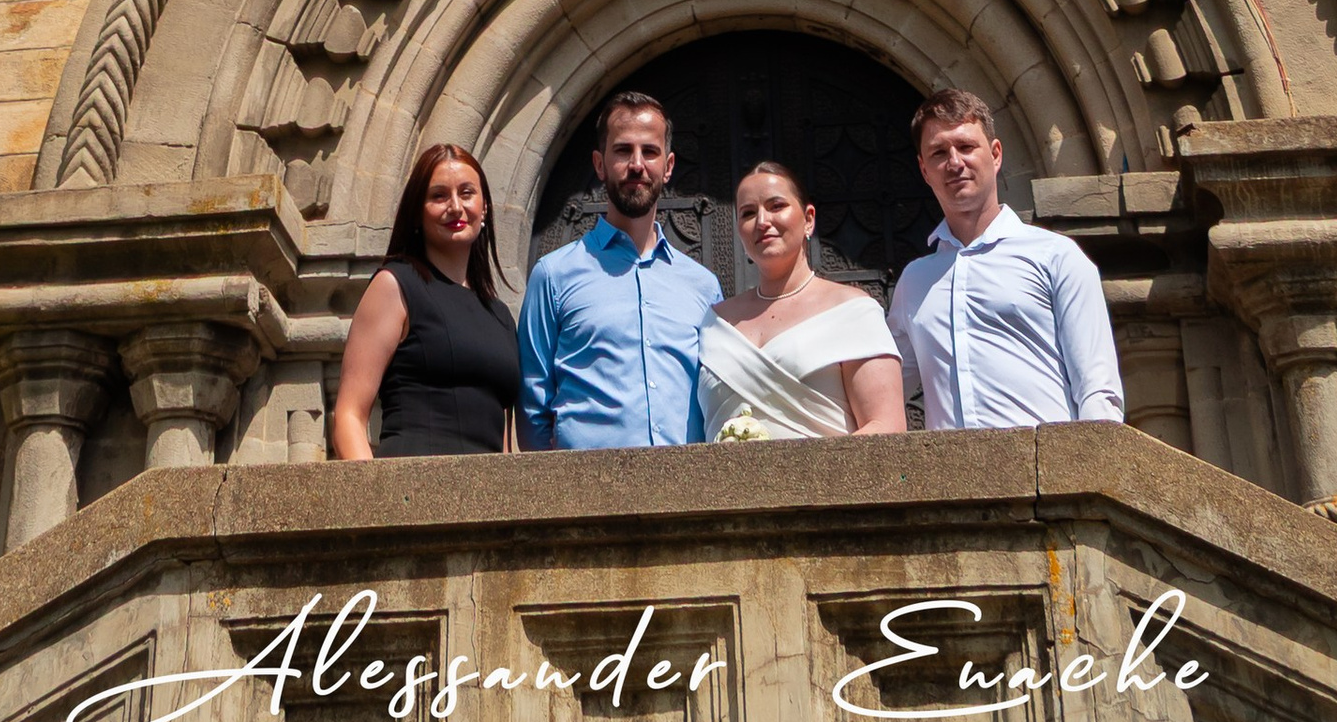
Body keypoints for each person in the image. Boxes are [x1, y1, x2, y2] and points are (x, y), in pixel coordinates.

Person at [887, 86, 1125, 431]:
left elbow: (1097, 387)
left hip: (1048, 476)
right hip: (953, 480)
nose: (954, 163)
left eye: (966, 147)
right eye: (939, 153)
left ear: (995, 154)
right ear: (924, 170)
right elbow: (885, 391)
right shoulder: (915, 281)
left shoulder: (1056, 256)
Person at [516, 89, 720, 448]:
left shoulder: (703, 286)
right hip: (589, 493)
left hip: (688, 493)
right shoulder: (553, 275)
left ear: (669, 166)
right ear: (599, 164)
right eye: (623, 150)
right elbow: (533, 409)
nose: (637, 164)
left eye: (650, 151)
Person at [330, 140, 520, 459]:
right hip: (412, 491)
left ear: (484, 207)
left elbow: (502, 439)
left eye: (467, 193)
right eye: (439, 196)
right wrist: (375, 504)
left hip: (488, 497)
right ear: (418, 213)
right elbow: (349, 416)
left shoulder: (500, 317)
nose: (455, 207)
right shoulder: (396, 285)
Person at [698, 158, 907, 442]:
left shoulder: (853, 313)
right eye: (748, 213)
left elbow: (886, 427)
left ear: (808, 219)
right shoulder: (715, 322)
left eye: (776, 206)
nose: (762, 221)